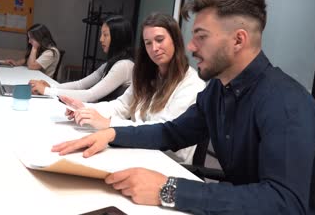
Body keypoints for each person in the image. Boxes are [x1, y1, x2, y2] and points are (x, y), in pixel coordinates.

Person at [52, 0, 315, 214]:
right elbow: (172, 132)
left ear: (238, 40)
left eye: (201, 37)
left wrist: (168, 189)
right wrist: (111, 133)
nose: (191, 46)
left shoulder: (286, 103)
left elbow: (286, 203)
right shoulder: (218, 91)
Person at [60, 13, 206, 164]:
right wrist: (86, 109)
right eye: (148, 43)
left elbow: (164, 133)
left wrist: (109, 125)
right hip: (138, 151)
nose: (154, 48)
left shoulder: (192, 84)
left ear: (175, 40)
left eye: (160, 40)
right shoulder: (146, 73)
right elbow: (122, 105)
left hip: (166, 161)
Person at [30, 16, 134, 102]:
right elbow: (80, 84)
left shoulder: (124, 65)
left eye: (105, 35)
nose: (101, 39)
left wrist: (47, 91)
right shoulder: (111, 63)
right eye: (101, 34)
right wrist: (51, 87)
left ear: (118, 37)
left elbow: (90, 95)